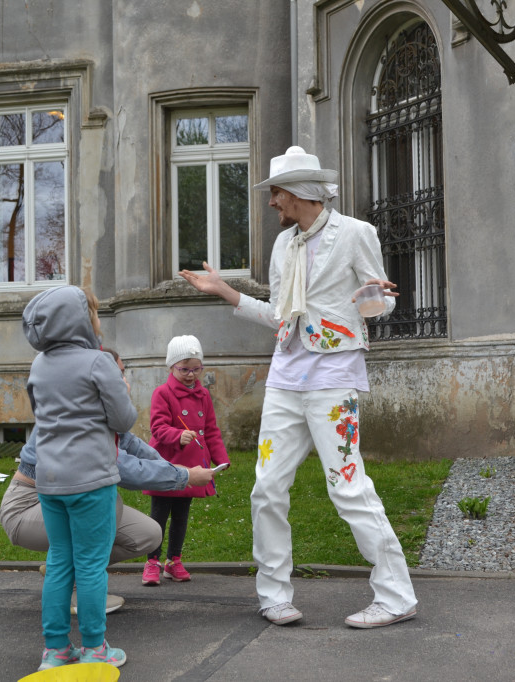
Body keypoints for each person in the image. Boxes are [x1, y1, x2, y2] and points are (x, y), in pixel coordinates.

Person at [179, 146, 418, 629]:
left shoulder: (356, 234)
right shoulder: (283, 245)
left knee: (348, 487)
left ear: (300, 193)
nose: (271, 203)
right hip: (286, 377)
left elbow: (383, 306)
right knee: (266, 488)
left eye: (277, 193)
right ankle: (273, 594)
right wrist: (224, 290)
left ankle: (396, 596)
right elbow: (279, 315)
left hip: (334, 377)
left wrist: (371, 298)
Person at [0, 348, 214, 611]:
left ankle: (65, 568)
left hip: (62, 504)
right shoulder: (72, 418)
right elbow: (124, 467)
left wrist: (171, 467)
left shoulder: (99, 414)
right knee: (105, 501)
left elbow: (132, 445)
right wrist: (186, 476)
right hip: (27, 507)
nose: (125, 382)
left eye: (124, 373)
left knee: (148, 534)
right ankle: (74, 592)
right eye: (117, 374)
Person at [22, 286, 135, 670]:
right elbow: (123, 420)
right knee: (90, 564)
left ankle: (55, 651)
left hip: (50, 480)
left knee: (60, 562)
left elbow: (39, 414)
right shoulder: (98, 362)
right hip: (91, 480)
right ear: (80, 320)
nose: (98, 321)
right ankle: (94, 648)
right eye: (95, 313)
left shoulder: (39, 364)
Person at [141, 335, 229, 586]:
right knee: (158, 516)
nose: (191, 375)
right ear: (171, 366)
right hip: (168, 464)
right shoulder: (162, 393)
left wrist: (221, 459)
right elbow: (157, 428)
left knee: (181, 517)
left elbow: (211, 430)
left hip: (193, 468)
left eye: (196, 369)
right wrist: (178, 435)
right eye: (184, 369)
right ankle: (152, 562)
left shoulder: (203, 396)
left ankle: (173, 561)